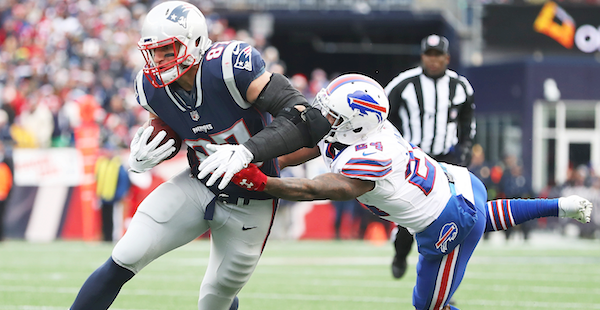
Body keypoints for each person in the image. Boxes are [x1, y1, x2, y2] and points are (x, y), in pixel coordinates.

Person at [228, 73, 593, 310]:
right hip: (463, 184)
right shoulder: (362, 131)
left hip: (447, 221)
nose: (324, 118)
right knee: (485, 215)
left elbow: (317, 188)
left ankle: (558, 206)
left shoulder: (369, 154)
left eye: (332, 114)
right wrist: (263, 160)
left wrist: (265, 183)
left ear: (355, 123)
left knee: (429, 307)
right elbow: (310, 144)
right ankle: (560, 205)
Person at [69, 2, 330, 310]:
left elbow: (305, 118)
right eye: (154, 52)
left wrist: (248, 151)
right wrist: (147, 151)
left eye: (168, 50)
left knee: (215, 298)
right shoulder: (150, 88)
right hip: (198, 184)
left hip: (252, 199)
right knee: (126, 254)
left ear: (194, 42)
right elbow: (180, 126)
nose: (158, 60)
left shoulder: (230, 67)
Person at [384, 34, 476, 279]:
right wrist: (394, 146)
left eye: (438, 55)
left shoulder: (460, 86)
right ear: (422, 57)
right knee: (408, 211)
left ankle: (441, 275)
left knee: (448, 216)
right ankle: (401, 252)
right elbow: (381, 114)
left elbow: (468, 122)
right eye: (429, 55)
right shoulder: (404, 83)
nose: (433, 60)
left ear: (447, 58)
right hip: (414, 158)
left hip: (447, 158)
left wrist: (466, 149)